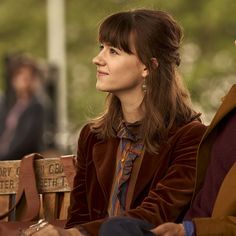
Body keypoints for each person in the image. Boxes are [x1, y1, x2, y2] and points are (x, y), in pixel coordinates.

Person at [22, 9, 206, 236]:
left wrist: (73, 235)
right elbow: (79, 217)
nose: (97, 59)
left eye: (113, 51)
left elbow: (156, 215)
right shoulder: (93, 135)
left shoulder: (191, 137)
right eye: (101, 48)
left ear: (148, 66)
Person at [99, 83, 236, 236]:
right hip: (184, 225)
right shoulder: (231, 105)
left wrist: (190, 230)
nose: (97, 60)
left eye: (115, 56)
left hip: (194, 230)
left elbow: (161, 209)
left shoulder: (188, 134)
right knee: (117, 227)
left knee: (115, 229)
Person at [0, 55, 44, 160]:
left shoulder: (37, 106)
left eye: (28, 75)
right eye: (20, 74)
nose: (24, 78)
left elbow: (25, 142)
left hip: (19, 164)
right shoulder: (9, 104)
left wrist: (2, 158)